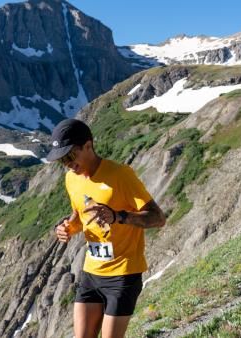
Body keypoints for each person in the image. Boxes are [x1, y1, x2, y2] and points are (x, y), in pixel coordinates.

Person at [48, 118, 166, 338]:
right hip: (91, 273)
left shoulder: (121, 175)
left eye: (71, 156)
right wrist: (67, 228)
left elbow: (158, 218)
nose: (68, 164)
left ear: (88, 146)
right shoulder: (71, 180)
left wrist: (118, 216)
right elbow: (80, 215)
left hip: (123, 274)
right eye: (62, 160)